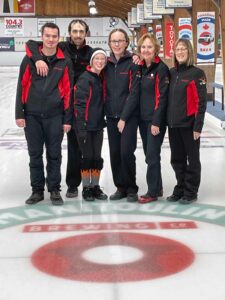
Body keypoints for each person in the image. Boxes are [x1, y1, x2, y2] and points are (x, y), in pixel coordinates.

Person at [26, 19, 93, 199]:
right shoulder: (61, 47)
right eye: (74, 31)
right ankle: (72, 184)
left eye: (81, 31)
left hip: (86, 106)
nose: (78, 35)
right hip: (67, 105)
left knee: (85, 148)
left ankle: (90, 186)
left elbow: (106, 63)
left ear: (86, 33)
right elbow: (31, 44)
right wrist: (38, 59)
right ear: (69, 33)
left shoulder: (91, 52)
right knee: (71, 147)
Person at [15, 22, 73, 205]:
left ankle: (55, 189)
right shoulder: (29, 60)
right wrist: (19, 113)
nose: (51, 39)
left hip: (55, 116)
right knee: (35, 154)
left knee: (54, 154)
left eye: (54, 36)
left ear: (59, 38)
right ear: (42, 36)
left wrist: (67, 118)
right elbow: (21, 86)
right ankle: (37, 190)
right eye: (47, 36)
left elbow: (68, 91)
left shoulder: (64, 61)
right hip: (32, 116)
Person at [166, 38, 207, 204]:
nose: (180, 52)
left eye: (183, 49)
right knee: (176, 159)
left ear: (189, 52)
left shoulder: (197, 74)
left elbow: (201, 102)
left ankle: (191, 191)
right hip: (173, 124)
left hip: (189, 125)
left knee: (192, 159)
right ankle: (181, 186)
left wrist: (198, 126)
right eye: (178, 49)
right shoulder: (171, 73)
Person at [104, 28, 140, 202]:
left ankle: (131, 187)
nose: (117, 44)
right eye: (114, 41)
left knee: (126, 152)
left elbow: (134, 93)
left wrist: (124, 118)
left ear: (126, 42)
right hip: (111, 116)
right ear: (109, 43)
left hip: (129, 117)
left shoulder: (133, 63)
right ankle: (121, 187)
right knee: (115, 153)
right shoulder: (105, 63)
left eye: (120, 41)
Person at [137, 33, 169, 204]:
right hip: (143, 120)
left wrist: (157, 121)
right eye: (143, 47)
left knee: (151, 155)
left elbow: (162, 97)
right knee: (150, 154)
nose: (146, 49)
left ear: (155, 49)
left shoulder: (161, 69)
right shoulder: (140, 67)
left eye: (149, 47)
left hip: (155, 121)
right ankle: (159, 186)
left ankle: (152, 192)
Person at [74, 48, 108, 201]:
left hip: (98, 126)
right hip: (85, 126)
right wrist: (81, 126)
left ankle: (95, 186)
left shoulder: (100, 78)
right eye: (97, 59)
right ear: (92, 61)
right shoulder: (85, 78)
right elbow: (79, 104)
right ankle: (86, 187)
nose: (100, 61)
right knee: (87, 157)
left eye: (102, 59)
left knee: (96, 157)